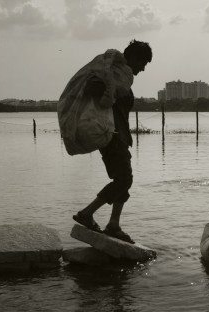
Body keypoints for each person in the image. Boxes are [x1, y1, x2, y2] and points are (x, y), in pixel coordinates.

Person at [72, 40, 152, 244]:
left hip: (120, 137)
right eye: (143, 63)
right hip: (111, 136)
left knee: (124, 180)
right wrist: (113, 91)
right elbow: (92, 88)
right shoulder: (110, 76)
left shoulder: (121, 79)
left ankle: (114, 224)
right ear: (133, 58)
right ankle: (87, 213)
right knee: (124, 180)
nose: (143, 69)